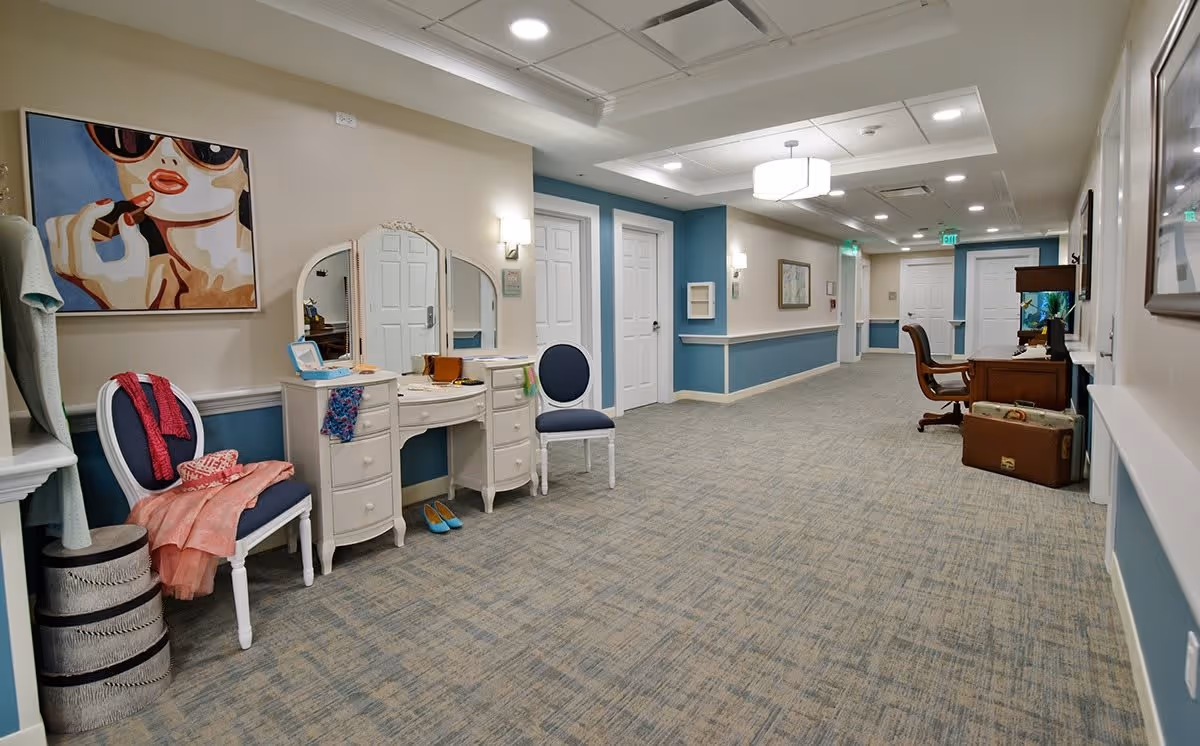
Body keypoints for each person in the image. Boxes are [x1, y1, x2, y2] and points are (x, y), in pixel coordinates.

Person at [45, 123, 255, 310]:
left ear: (246, 175)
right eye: (137, 140)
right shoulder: (134, 282)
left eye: (206, 149)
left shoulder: (264, 280)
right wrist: (123, 304)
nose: (166, 153)